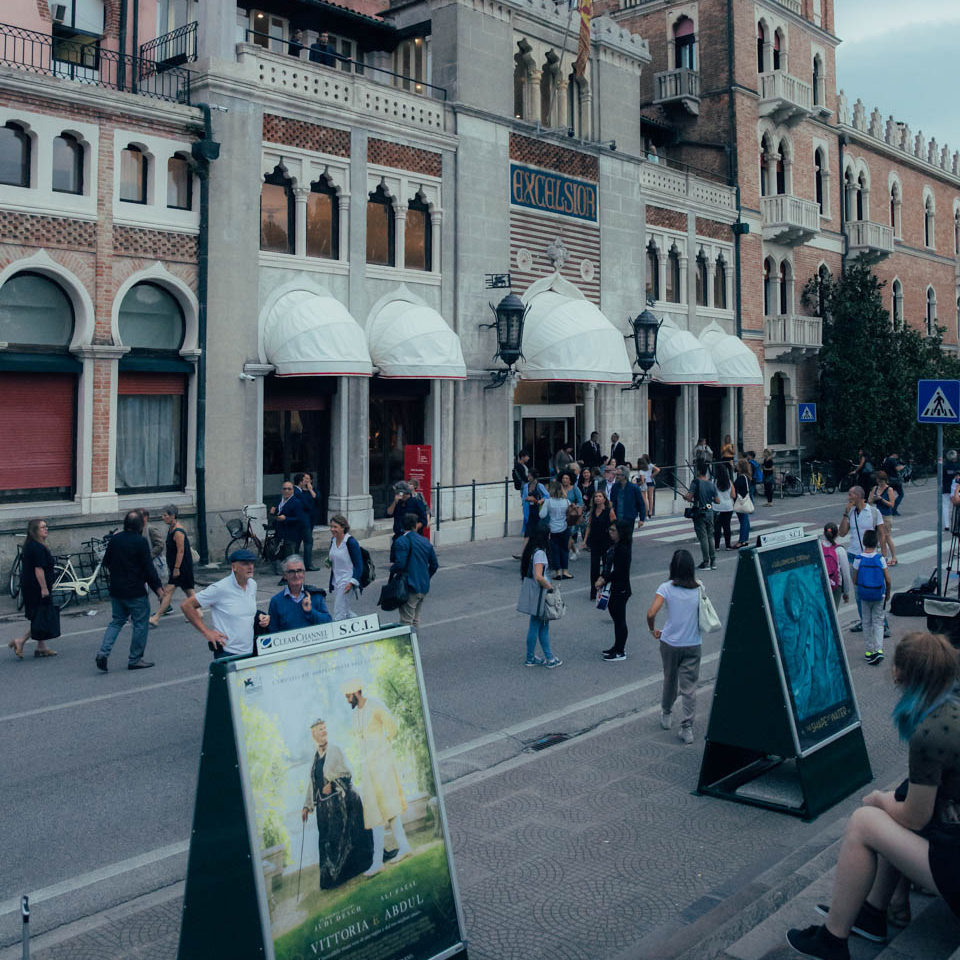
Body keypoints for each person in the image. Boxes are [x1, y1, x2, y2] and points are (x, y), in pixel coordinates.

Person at [785, 631, 960, 960]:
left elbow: (914, 817)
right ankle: (871, 912)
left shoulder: (932, 730)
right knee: (896, 800)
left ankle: (832, 941)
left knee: (865, 820)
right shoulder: (951, 706)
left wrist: (878, 799)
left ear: (899, 674)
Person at [341, 678, 414, 875]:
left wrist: (385, 745)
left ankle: (382, 858)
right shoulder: (356, 714)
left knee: (387, 806)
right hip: (367, 767)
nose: (347, 700)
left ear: (357, 692)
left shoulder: (375, 704)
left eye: (349, 696)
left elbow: (391, 725)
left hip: (382, 762)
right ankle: (391, 853)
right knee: (374, 810)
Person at [300, 718, 373, 890]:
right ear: (313, 734)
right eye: (320, 729)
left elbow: (347, 774)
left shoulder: (335, 750)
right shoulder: (315, 756)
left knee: (345, 838)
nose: (324, 731)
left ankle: (353, 869)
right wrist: (306, 806)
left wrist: (332, 784)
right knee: (327, 840)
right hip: (325, 810)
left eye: (325, 728)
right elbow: (313, 783)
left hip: (342, 804)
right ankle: (332, 878)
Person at [95, 510, 164, 672]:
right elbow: (148, 569)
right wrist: (158, 589)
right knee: (140, 623)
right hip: (135, 590)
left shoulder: (115, 540)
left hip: (117, 589)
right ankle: (135, 659)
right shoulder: (140, 542)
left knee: (117, 621)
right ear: (141, 525)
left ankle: (103, 653)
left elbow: (106, 562)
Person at [646, 549, 702, 745]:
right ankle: (687, 728)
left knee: (670, 678)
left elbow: (651, 613)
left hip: (670, 642)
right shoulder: (699, 587)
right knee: (690, 687)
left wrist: (653, 630)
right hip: (693, 642)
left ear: (673, 567)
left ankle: (667, 713)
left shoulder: (666, 588)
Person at [182, 549, 269, 659]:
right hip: (228, 653)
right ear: (234, 567)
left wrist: (261, 616)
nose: (250, 567)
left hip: (250, 650)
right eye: (245, 563)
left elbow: (243, 609)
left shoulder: (252, 585)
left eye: (252, 563)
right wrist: (207, 632)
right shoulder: (220, 588)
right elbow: (186, 606)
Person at [839, 485, 885, 635]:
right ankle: (864, 621)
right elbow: (842, 533)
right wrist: (846, 513)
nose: (848, 497)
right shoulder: (851, 512)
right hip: (854, 556)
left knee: (876, 589)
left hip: (870, 556)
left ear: (858, 496)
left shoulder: (873, 511)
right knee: (859, 592)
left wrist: (883, 555)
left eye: (851, 494)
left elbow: (882, 535)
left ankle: (882, 624)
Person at [9, 519, 58, 659]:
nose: (46, 529)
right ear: (35, 531)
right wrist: (44, 589)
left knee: (38, 614)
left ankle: (41, 647)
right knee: (40, 616)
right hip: (36, 587)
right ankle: (20, 641)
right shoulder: (37, 547)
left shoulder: (33, 545)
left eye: (46, 526)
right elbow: (38, 569)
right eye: (43, 527)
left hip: (31, 585)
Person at [516, 524, 562, 668]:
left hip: (534, 593)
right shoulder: (541, 553)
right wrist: (551, 588)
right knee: (541, 626)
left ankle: (533, 657)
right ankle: (548, 658)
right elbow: (538, 576)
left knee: (537, 625)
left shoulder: (531, 550)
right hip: (541, 593)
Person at [149, 505, 196, 628]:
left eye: (165, 515)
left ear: (172, 516)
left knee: (168, 591)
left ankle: (156, 617)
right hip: (177, 567)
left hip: (181, 567)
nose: (163, 517)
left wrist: (176, 569)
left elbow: (181, 551)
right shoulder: (172, 528)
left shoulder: (178, 531)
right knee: (188, 591)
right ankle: (197, 612)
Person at [390, 512, 438, 629]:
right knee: (415, 618)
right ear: (416, 525)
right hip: (423, 585)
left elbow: (400, 564)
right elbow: (434, 565)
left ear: (402, 526)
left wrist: (392, 568)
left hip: (410, 585)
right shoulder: (425, 541)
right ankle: (415, 642)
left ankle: (409, 646)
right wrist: (426, 576)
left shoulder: (401, 541)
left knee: (406, 621)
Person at [596, 520, 633, 662]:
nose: (610, 533)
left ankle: (620, 651)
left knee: (619, 620)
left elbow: (619, 571)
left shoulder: (623, 548)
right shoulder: (616, 546)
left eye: (613, 530)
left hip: (620, 588)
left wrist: (603, 580)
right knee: (616, 618)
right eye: (610, 530)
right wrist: (602, 575)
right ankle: (616, 646)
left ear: (620, 532)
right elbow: (608, 565)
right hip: (613, 587)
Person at [852, 530, 890, 665]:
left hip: (864, 594)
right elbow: (888, 579)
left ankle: (869, 651)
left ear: (863, 542)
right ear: (876, 543)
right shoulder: (880, 559)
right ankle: (879, 650)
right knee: (878, 622)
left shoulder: (858, 559)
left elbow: (855, 580)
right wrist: (888, 594)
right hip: (878, 594)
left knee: (866, 622)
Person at [268, 554, 331, 631]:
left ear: (304, 573)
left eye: (299, 571)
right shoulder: (276, 602)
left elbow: (328, 622)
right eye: (291, 572)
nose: (296, 575)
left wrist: (310, 612)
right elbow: (272, 631)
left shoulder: (316, 596)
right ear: (284, 575)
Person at [684, 460, 719, 570]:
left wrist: (686, 497)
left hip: (699, 513)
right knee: (710, 536)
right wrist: (709, 499)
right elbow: (717, 501)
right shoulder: (711, 484)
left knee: (703, 537)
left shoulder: (695, 482)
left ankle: (705, 562)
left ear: (698, 471)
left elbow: (689, 497)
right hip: (710, 512)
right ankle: (713, 561)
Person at [328, 513, 364, 621]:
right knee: (346, 611)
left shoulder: (351, 542)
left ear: (343, 527)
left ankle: (338, 635)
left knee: (339, 611)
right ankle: (361, 625)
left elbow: (359, 564)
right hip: (336, 580)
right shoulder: (333, 540)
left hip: (347, 580)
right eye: (331, 526)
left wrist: (352, 582)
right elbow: (333, 557)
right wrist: (328, 562)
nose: (332, 529)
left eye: (335, 527)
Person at [585, 489, 616, 601]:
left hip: (606, 542)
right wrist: (585, 541)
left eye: (600, 496)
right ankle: (593, 591)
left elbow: (614, 526)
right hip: (594, 542)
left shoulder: (609, 511)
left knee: (606, 567)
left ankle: (605, 589)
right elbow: (589, 526)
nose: (597, 498)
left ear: (604, 499)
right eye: (596, 496)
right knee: (594, 567)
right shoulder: (592, 512)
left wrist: (615, 540)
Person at [270, 480, 307, 570]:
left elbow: (300, 519)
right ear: (281, 490)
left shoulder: (296, 502)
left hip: (291, 533)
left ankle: (290, 572)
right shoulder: (279, 499)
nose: (286, 491)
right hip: (279, 532)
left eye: (289, 489)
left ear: (292, 491)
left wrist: (286, 518)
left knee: (290, 555)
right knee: (276, 551)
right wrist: (272, 512)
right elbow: (275, 512)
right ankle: (281, 570)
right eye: (284, 489)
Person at [541, 480, 573, 580]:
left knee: (555, 551)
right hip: (564, 528)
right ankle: (565, 571)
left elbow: (542, 515)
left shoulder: (548, 502)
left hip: (553, 529)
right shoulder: (567, 501)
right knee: (564, 550)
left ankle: (558, 572)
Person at [515, 468, 548, 560]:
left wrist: (540, 500)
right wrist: (526, 499)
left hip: (538, 511)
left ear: (533, 476)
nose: (528, 477)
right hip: (529, 511)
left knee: (537, 533)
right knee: (528, 532)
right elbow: (524, 497)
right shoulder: (526, 486)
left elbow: (547, 496)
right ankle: (524, 553)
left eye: (529, 475)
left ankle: (541, 552)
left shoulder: (539, 486)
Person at [822, 522, 852, 611]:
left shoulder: (818, 547)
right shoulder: (840, 550)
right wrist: (846, 592)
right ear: (837, 534)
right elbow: (845, 573)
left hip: (822, 584)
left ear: (824, 533)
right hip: (836, 585)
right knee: (833, 612)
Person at [869, 471, 898, 565]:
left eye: (882, 481)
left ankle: (893, 557)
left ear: (885, 480)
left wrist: (881, 499)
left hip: (886, 516)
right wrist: (874, 498)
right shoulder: (875, 488)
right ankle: (883, 556)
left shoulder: (889, 489)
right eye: (878, 481)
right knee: (879, 537)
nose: (880, 483)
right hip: (876, 516)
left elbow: (892, 504)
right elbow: (869, 501)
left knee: (886, 537)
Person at [294, 471, 319, 570]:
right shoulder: (298, 492)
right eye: (304, 480)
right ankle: (307, 565)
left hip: (306, 521)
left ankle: (297, 564)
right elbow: (308, 506)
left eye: (308, 479)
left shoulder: (309, 490)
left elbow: (317, 499)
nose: (306, 481)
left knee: (298, 543)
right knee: (308, 542)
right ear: (301, 482)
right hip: (303, 522)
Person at [610, 465, 646, 530]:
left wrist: (641, 519)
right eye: (616, 474)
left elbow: (641, 504)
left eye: (618, 475)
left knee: (627, 538)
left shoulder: (634, 488)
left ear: (624, 476)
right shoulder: (615, 487)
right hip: (616, 517)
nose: (616, 476)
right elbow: (612, 501)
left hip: (629, 518)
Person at [560, 471, 584, 560]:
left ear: (571, 480)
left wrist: (575, 505)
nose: (564, 480)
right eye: (563, 478)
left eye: (567, 478)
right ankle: (574, 550)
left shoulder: (575, 489)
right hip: (561, 514)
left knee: (568, 534)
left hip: (571, 515)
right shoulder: (560, 488)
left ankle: (568, 552)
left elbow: (580, 502)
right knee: (565, 535)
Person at [139, 508, 165, 583]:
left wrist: (150, 556)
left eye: (139, 516)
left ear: (145, 517)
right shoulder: (138, 529)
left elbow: (160, 545)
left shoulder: (150, 528)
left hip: (152, 562)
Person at [713, 462, 734, 551]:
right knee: (727, 526)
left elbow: (713, 495)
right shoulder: (729, 482)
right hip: (728, 507)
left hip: (717, 507)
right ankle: (728, 545)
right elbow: (733, 495)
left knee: (717, 527)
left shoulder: (715, 482)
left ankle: (717, 546)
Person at [733, 459, 752, 547]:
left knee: (743, 521)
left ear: (741, 467)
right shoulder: (747, 476)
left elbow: (734, 486)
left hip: (741, 501)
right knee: (746, 520)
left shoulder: (741, 478)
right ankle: (745, 539)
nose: (736, 467)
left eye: (738, 465)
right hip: (745, 499)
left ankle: (741, 540)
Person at [881, 451, 905, 515]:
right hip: (894, 480)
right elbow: (897, 469)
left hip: (888, 479)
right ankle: (893, 509)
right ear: (894, 454)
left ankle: (886, 509)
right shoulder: (892, 460)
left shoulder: (886, 460)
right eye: (897, 455)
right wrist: (902, 467)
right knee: (901, 494)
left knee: (888, 494)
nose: (897, 457)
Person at [638, 455, 660, 519]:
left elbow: (658, 470)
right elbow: (658, 470)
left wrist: (652, 475)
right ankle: (650, 512)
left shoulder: (644, 465)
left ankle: (646, 512)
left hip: (644, 481)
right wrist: (652, 475)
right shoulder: (650, 465)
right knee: (650, 497)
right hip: (650, 481)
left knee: (645, 498)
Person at [943, 449, 959, 531]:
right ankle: (956, 524)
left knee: (945, 506)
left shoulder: (944, 467)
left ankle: (947, 525)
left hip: (945, 488)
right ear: (955, 457)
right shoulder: (958, 466)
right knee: (957, 507)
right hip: (956, 489)